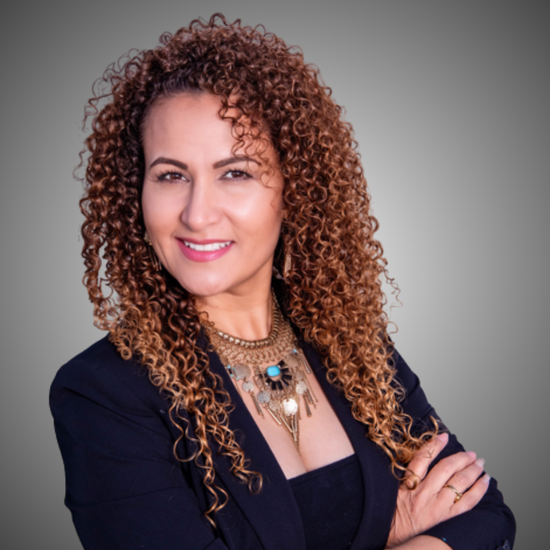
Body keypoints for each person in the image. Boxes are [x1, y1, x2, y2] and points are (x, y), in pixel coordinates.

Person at [50, 14, 515, 550]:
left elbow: (485, 516)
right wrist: (391, 536)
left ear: (295, 190)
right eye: (171, 175)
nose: (197, 214)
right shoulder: (102, 394)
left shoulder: (351, 346)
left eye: (236, 172)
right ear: (137, 193)